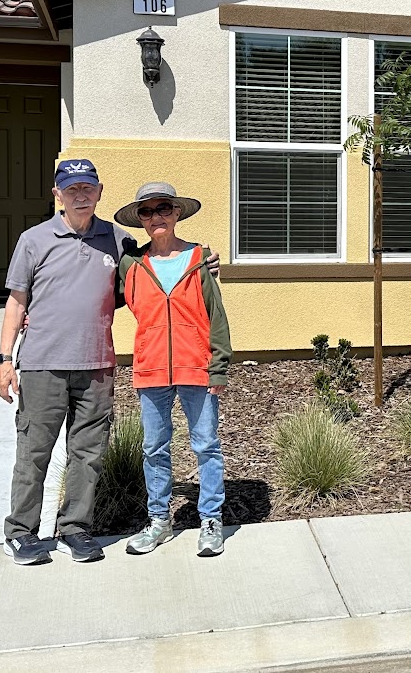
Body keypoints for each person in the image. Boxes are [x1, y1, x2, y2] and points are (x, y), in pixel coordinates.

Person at [0, 159, 127, 565]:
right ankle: (20, 533)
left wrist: (202, 265)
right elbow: (17, 302)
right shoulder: (34, 240)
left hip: (97, 364)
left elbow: (148, 278)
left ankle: (75, 528)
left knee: (88, 453)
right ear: (58, 196)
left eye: (88, 188)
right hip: (42, 364)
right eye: (72, 190)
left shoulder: (118, 240)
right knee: (34, 451)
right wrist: (4, 359)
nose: (81, 195)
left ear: (100, 191)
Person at [114, 181, 232, 557]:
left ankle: (211, 520)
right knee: (154, 449)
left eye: (163, 208)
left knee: (206, 446)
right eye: (147, 212)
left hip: (196, 366)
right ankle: (159, 521)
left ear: (177, 213)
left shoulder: (200, 257)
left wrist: (219, 366)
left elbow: (216, 315)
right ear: (140, 221)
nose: (156, 217)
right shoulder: (131, 265)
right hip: (151, 368)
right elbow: (94, 300)